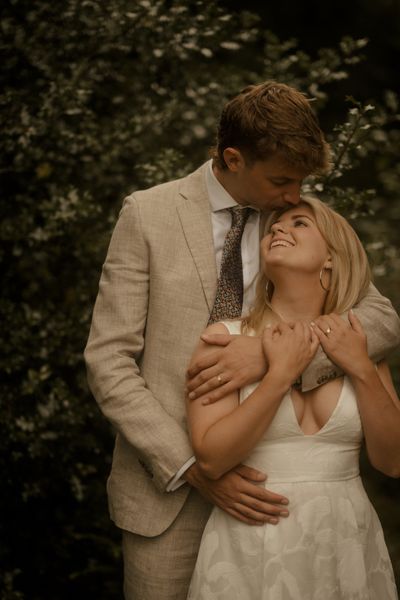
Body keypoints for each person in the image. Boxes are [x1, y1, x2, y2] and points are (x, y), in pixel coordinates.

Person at [84, 81, 400, 599]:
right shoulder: (149, 213)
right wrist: (192, 469)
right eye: (282, 179)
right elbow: (109, 361)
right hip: (169, 495)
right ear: (233, 158)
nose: (295, 195)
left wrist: (276, 355)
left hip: (282, 486)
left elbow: (380, 318)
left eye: (300, 183)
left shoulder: (291, 223)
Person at [186, 195, 400, 599]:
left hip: (345, 543)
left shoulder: (361, 343)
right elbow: (212, 458)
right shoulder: (224, 341)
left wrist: (360, 367)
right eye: (275, 226)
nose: (279, 228)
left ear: (332, 258)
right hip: (250, 544)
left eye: (300, 223)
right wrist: (278, 374)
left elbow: (393, 461)